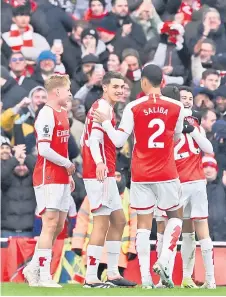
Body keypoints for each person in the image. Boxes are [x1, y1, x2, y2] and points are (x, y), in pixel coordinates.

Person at [93, 64, 185, 289]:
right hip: (166, 171)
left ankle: (145, 279)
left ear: (143, 82)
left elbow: (117, 141)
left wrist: (105, 121)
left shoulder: (133, 107)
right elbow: (177, 136)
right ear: (162, 82)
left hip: (141, 173)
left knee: (143, 225)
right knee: (175, 216)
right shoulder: (176, 106)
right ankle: (164, 259)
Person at [80, 71, 137, 288]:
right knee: (102, 222)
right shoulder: (103, 107)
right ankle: (91, 277)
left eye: (122, 87)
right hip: (99, 172)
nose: (120, 90)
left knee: (119, 221)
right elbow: (94, 140)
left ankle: (112, 274)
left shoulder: (105, 107)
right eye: (115, 86)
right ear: (105, 87)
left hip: (103, 170)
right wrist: (100, 163)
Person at [157, 86, 216, 289]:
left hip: (183, 182)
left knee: (177, 228)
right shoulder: (186, 123)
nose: (188, 100)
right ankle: (202, 278)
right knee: (189, 230)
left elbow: (208, 149)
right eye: (184, 97)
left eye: (190, 98)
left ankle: (183, 277)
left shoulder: (186, 123)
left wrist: (192, 130)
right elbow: (208, 149)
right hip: (188, 182)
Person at [22, 74, 75, 288]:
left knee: (59, 225)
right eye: (68, 89)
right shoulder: (46, 114)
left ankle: (33, 267)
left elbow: (61, 147)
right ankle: (44, 275)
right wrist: (66, 164)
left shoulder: (62, 113)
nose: (70, 93)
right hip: (48, 174)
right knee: (50, 223)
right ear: (57, 92)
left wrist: (68, 172)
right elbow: (44, 149)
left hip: (61, 174)